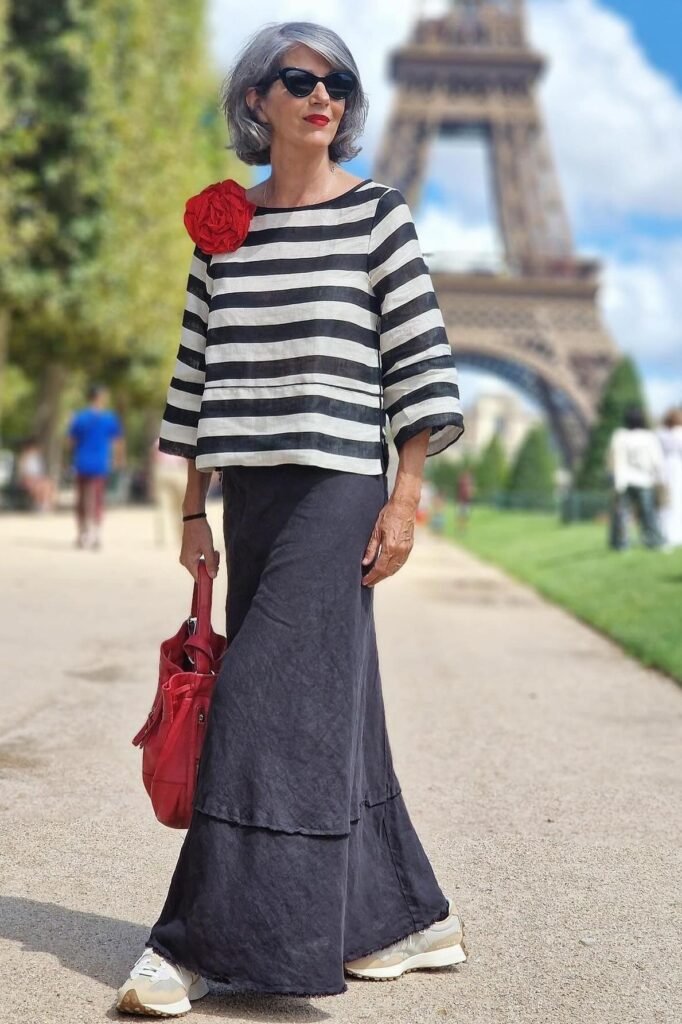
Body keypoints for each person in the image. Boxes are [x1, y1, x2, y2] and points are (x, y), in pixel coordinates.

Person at [116, 21, 466, 1016]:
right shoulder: (224, 227)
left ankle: (185, 946)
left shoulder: (376, 219)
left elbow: (419, 367)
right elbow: (195, 374)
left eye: (340, 84)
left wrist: (404, 496)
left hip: (339, 491)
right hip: (251, 491)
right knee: (329, 707)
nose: (325, 96)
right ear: (255, 101)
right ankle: (406, 916)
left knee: (263, 706)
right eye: (299, 79)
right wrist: (192, 506)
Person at [66, 384, 125, 549]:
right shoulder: (109, 418)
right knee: (97, 499)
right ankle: (96, 533)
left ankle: (82, 533)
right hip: (100, 463)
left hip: (81, 462)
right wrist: (118, 460)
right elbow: (117, 441)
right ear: (100, 397)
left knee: (81, 499)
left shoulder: (79, 417)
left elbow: (70, 442)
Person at [606, 405, 665, 550]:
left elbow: (613, 458)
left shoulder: (620, 436)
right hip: (644, 480)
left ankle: (620, 543)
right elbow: (657, 460)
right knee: (648, 513)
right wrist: (659, 478)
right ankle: (652, 541)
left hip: (624, 480)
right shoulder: (649, 437)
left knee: (621, 514)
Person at [656, 407, 682, 549]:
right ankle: (676, 534)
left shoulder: (660, 434)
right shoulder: (679, 434)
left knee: (665, 505)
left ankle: (665, 533)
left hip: (664, 470)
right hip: (677, 469)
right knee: (677, 503)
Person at [15, 438, 56, 512]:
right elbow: (22, 473)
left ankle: (45, 504)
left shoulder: (38, 458)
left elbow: (41, 472)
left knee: (48, 484)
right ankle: (40, 504)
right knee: (39, 486)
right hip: (27, 479)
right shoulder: (24, 458)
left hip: (37, 478)